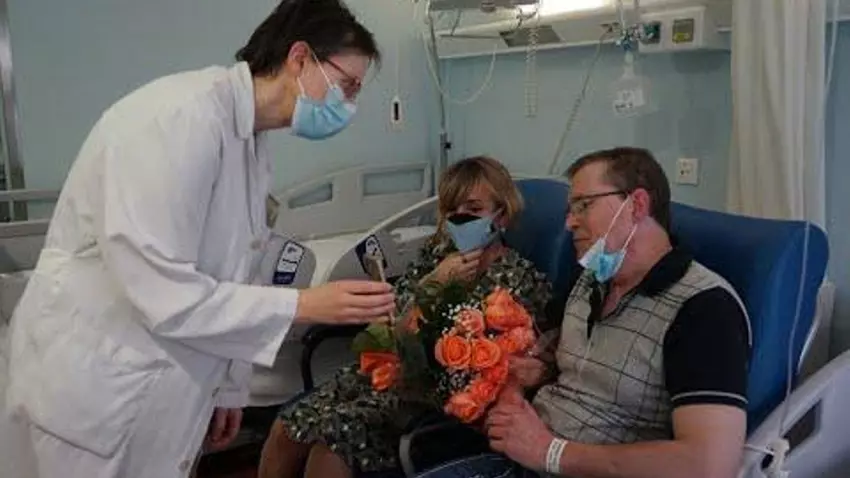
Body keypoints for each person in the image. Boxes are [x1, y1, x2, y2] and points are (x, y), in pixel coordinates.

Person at [4, 1, 397, 477]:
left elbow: (235, 272)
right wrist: (304, 305)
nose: (349, 106)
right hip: (93, 388)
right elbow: (163, 291)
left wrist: (229, 387)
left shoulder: (249, 141)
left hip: (159, 385)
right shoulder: (178, 121)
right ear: (299, 58)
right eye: (347, 86)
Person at [417, 147, 751, 478]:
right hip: (521, 456)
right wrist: (515, 388)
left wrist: (550, 452)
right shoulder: (593, 279)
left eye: (583, 206)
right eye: (570, 209)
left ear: (637, 205)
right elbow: (555, 354)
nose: (569, 223)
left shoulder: (703, 309)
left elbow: (710, 465)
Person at [258, 156, 553, 478]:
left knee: (331, 443)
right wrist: (434, 284)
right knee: (286, 427)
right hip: (387, 370)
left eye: (474, 208)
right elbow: (391, 327)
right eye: (452, 209)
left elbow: (494, 369)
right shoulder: (437, 257)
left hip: (432, 397)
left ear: (502, 215)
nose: (460, 217)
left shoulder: (517, 279)